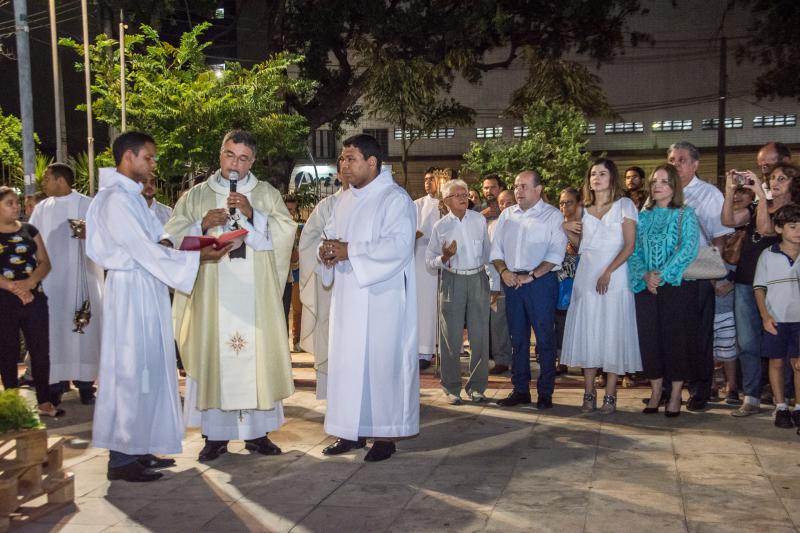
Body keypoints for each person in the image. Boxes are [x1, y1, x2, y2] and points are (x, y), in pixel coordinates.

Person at [86, 132, 229, 482]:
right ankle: (121, 459)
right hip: (129, 291)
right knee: (130, 371)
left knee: (149, 369)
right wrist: (197, 256)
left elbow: (162, 239)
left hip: (147, 288)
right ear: (128, 157)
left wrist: (197, 237)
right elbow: (144, 250)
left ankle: (140, 447)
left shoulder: (133, 198)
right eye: (148, 158)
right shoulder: (115, 199)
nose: (153, 165)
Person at [165, 130, 297, 463]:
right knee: (214, 357)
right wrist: (200, 224)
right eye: (229, 155)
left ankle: (257, 433)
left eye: (243, 158)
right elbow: (173, 235)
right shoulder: (197, 195)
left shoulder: (265, 194)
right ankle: (215, 437)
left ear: (252, 161)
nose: (234, 164)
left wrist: (254, 215)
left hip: (255, 297)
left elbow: (285, 232)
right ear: (220, 154)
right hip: (213, 296)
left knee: (256, 358)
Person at [319, 134, 418, 462]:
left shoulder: (395, 198)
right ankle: (350, 431)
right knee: (349, 365)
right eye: (342, 159)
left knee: (381, 366)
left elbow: (398, 246)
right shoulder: (344, 200)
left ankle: (385, 436)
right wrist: (326, 252)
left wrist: (350, 251)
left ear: (372, 162)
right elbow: (330, 235)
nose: (344, 165)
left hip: (382, 299)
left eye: (351, 159)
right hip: (348, 299)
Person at [561, 159, 641, 414]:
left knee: (612, 332)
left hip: (615, 275)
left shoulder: (624, 205)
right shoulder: (583, 209)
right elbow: (580, 245)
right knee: (589, 332)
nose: (596, 177)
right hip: (587, 274)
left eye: (602, 173)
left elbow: (629, 245)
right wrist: (565, 228)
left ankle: (611, 394)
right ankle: (588, 392)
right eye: (593, 173)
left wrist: (608, 271)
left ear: (612, 177)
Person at [723, 162, 796, 416]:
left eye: (782, 179)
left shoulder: (793, 212)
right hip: (746, 281)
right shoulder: (755, 207)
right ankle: (751, 396)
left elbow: (766, 229)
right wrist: (730, 191)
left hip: (778, 287)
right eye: (772, 178)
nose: (775, 183)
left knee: (784, 344)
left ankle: (783, 397)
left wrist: (761, 197)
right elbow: (727, 220)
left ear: (793, 183)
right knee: (747, 342)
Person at [491, 170, 566, 409]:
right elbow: (496, 250)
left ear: (538, 189)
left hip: (540, 283)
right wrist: (504, 271)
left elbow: (556, 253)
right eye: (516, 186)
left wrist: (532, 275)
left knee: (544, 339)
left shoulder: (552, 215)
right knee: (518, 339)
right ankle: (520, 389)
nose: (518, 191)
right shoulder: (507, 215)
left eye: (524, 186)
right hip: (513, 282)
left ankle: (545, 392)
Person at [628, 164, 700, 417]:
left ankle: (676, 394)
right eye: (654, 181)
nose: (657, 185)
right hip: (645, 287)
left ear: (674, 186)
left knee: (675, 340)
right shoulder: (643, 216)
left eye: (664, 181)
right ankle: (657, 391)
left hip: (675, 286)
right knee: (649, 340)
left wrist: (662, 275)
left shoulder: (685, 213)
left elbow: (688, 248)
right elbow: (633, 250)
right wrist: (645, 275)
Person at [29, 163, 103, 406]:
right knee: (54, 331)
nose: (43, 183)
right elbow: (31, 240)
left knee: (83, 331)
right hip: (51, 282)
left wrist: (89, 234)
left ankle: (86, 386)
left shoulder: (88, 205)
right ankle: (56, 386)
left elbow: (107, 237)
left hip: (83, 279)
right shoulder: (42, 208)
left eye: (47, 178)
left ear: (60, 180)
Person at [667, 141, 733, 411]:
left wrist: (715, 273)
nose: (675, 164)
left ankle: (699, 389)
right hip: (667, 274)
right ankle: (669, 389)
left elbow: (720, 236)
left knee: (698, 335)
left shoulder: (708, 193)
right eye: (672, 159)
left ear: (695, 164)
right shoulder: (660, 191)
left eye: (681, 159)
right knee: (671, 334)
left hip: (698, 272)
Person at [426, 179, 491, 404]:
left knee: (480, 335)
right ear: (446, 201)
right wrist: (444, 257)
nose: (464, 198)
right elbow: (429, 261)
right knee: (451, 337)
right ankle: (452, 388)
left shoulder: (479, 219)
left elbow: (488, 253)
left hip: (478, 278)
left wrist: (492, 282)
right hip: (452, 280)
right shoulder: (440, 226)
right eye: (458, 195)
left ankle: (477, 387)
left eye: (465, 194)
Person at [0, 187, 58, 417]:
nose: (17, 207)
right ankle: (12, 405)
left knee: (40, 350)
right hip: (4, 300)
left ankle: (44, 401)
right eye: (10, 203)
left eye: (17, 202)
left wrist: (30, 283)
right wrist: (14, 288)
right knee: (7, 351)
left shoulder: (29, 229)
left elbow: (44, 262)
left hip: (34, 298)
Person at [298, 163, 349, 399]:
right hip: (330, 284)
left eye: (353, 163)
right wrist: (322, 252)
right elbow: (307, 241)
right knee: (329, 337)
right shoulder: (326, 206)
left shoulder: (372, 205)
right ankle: (331, 395)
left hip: (360, 285)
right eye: (344, 167)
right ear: (338, 174)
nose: (349, 170)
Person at [753, 204, 800, 428]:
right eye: (792, 226)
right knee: (777, 362)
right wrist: (765, 316)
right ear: (779, 229)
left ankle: (798, 407)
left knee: (798, 364)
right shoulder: (768, 255)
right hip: (776, 319)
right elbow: (759, 288)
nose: (798, 231)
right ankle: (780, 406)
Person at [414, 168, 441, 370]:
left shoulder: (447, 203)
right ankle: (424, 350)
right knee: (424, 306)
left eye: (432, 179)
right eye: (425, 179)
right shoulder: (417, 204)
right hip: (421, 260)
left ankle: (444, 349)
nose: (427, 182)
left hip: (445, 258)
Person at [487, 189, 515, 375]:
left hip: (522, 280)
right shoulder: (492, 226)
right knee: (498, 323)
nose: (505, 206)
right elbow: (489, 258)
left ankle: (519, 359)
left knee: (519, 323)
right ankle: (501, 359)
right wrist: (494, 285)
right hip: (499, 281)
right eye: (502, 203)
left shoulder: (524, 224)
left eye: (509, 202)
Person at [555, 187, 581, 376]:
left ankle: (586, 362)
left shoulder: (584, 224)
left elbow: (583, 247)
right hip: (558, 282)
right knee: (559, 322)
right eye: (561, 202)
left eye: (569, 202)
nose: (564, 206)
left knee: (580, 323)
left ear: (578, 204)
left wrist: (566, 230)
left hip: (579, 281)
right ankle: (561, 360)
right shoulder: (555, 224)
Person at [282, 194, 302, 352]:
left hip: (288, 278)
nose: (291, 214)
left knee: (284, 314)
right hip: (273, 279)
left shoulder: (293, 229)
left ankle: (283, 350)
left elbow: (294, 258)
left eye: (293, 211)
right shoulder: (271, 226)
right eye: (288, 210)